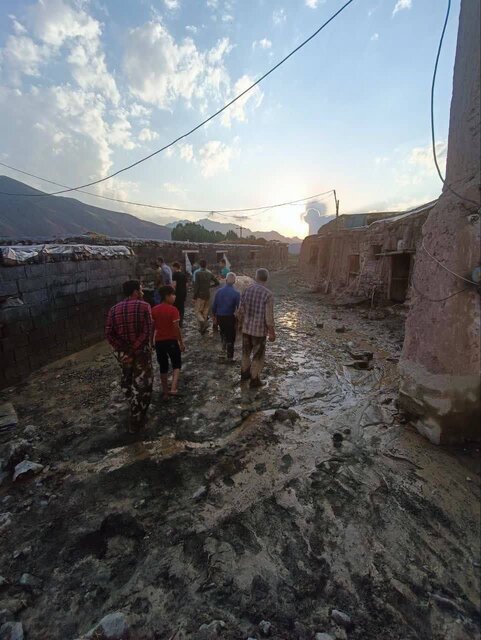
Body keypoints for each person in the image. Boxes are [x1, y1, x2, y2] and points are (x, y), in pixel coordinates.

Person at [105, 280, 153, 432]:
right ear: (135, 292)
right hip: (140, 353)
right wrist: (134, 347)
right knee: (143, 384)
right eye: (140, 289)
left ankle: (130, 399)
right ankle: (136, 418)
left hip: (124, 353)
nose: (142, 292)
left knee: (127, 377)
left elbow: (109, 333)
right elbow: (147, 331)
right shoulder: (144, 306)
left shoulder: (114, 309)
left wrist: (123, 347)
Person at [238, 268, 276, 388]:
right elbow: (268, 317)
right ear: (267, 278)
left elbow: (240, 311)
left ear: (256, 277)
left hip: (246, 328)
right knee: (258, 355)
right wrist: (272, 333)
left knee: (245, 353)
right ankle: (254, 379)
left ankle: (244, 374)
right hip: (259, 331)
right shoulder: (268, 294)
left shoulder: (247, 290)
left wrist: (240, 324)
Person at [152, 285, 185, 400]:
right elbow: (176, 328)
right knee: (176, 364)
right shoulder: (173, 310)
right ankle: (173, 388)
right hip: (171, 340)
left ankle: (165, 392)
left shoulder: (154, 310)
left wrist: (152, 342)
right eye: (173, 295)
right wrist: (181, 342)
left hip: (159, 342)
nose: (174, 297)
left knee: (163, 366)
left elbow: (152, 328)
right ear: (167, 296)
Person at [212, 272, 241, 361]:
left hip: (220, 316)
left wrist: (214, 317)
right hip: (230, 317)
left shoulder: (219, 292)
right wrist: (239, 320)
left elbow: (214, 306)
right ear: (234, 281)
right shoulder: (236, 293)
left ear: (226, 280)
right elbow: (239, 308)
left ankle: (222, 352)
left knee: (223, 333)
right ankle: (230, 357)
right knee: (231, 336)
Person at [193, 259, 219, 335]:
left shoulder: (197, 273)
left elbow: (196, 286)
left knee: (197, 312)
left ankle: (203, 323)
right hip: (207, 295)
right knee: (205, 312)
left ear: (199, 265)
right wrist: (210, 286)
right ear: (206, 265)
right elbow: (217, 282)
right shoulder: (209, 273)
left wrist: (194, 296)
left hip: (200, 295)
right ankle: (203, 329)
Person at [171, 261, 187, 327]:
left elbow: (174, 285)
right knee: (182, 309)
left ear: (175, 267)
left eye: (173, 267)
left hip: (177, 293)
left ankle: (176, 322)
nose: (172, 269)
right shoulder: (183, 274)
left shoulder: (175, 274)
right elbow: (186, 285)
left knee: (175, 308)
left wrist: (172, 292)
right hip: (183, 293)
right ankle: (181, 323)